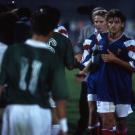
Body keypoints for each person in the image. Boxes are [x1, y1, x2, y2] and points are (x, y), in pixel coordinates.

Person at [0, 8, 69, 135]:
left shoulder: (12, 51)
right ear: (50, 33)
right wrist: (63, 125)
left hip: (15, 110)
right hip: (39, 112)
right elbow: (59, 97)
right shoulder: (52, 58)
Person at [93, 9, 135, 135]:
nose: (113, 25)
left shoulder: (129, 43)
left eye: (116, 22)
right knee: (107, 121)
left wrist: (115, 59)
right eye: (110, 22)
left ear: (122, 24)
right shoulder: (100, 39)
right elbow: (94, 58)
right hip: (104, 87)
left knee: (121, 122)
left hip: (122, 88)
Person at [74, 7, 107, 135]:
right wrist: (78, 54)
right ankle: (83, 125)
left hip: (104, 73)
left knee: (104, 105)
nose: (97, 21)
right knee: (85, 102)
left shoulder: (111, 30)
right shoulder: (86, 30)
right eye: (95, 18)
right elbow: (79, 45)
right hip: (88, 74)